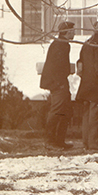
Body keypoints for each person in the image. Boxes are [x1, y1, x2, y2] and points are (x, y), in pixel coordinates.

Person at [40, 21, 75, 149]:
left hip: (60, 82)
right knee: (57, 111)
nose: (75, 33)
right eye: (73, 30)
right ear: (68, 32)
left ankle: (59, 141)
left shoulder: (61, 44)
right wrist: (59, 84)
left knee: (65, 111)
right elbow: (57, 67)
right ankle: (50, 142)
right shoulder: (61, 45)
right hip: (58, 84)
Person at [75, 20, 98, 149]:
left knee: (87, 114)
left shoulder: (87, 43)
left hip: (86, 84)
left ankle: (86, 142)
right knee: (95, 114)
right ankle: (93, 143)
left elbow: (81, 61)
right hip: (97, 84)